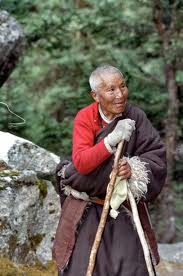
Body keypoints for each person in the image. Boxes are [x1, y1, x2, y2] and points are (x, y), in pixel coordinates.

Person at [53, 65, 167, 276]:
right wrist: (111, 140)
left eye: (122, 86)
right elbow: (82, 165)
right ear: (95, 95)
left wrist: (133, 169)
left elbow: (156, 155)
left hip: (124, 210)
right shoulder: (85, 118)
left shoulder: (136, 117)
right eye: (111, 90)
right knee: (82, 267)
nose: (120, 95)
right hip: (87, 209)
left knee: (132, 267)